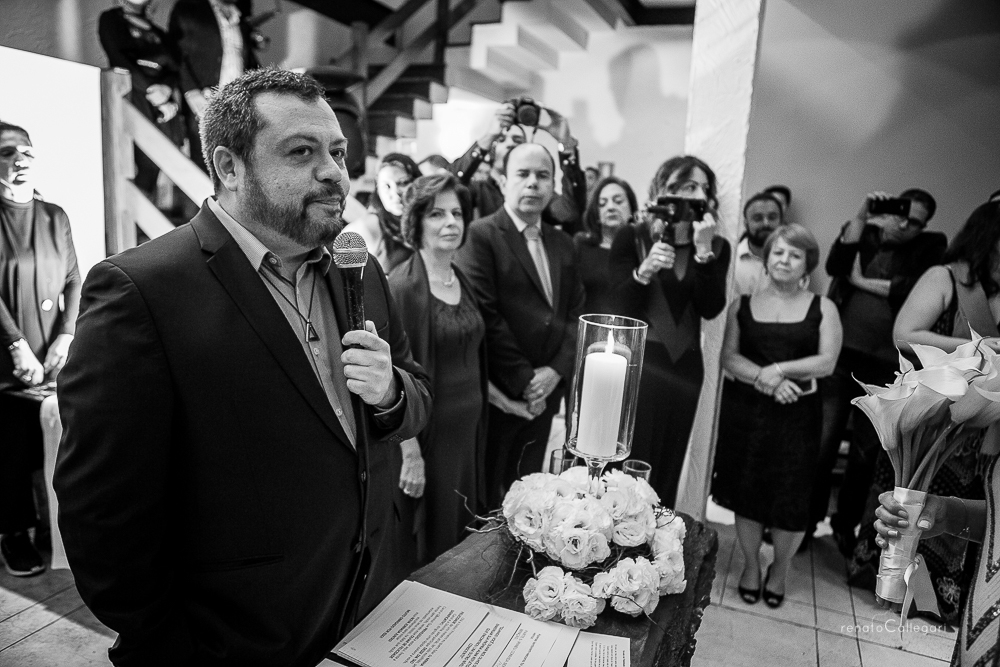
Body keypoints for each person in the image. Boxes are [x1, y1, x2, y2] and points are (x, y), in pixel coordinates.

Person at [53, 68, 432, 666]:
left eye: (337, 152)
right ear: (230, 167)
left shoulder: (357, 268)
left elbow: (417, 396)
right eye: (302, 152)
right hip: (232, 643)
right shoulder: (141, 291)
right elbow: (102, 515)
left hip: (362, 614)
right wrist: (172, 645)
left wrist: (390, 394)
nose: (334, 172)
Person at [849, 201, 1000, 624]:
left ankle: (936, 596)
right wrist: (977, 349)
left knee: (954, 509)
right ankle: (889, 580)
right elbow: (905, 334)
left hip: (976, 429)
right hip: (927, 416)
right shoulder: (945, 278)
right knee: (909, 497)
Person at [712, 225, 842, 608]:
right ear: (766, 258)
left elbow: (827, 361)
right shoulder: (741, 305)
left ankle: (780, 569)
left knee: (791, 498)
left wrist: (780, 370)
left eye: (795, 254)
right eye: (779, 252)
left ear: (807, 264)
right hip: (747, 414)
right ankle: (752, 566)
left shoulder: (824, 307)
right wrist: (769, 382)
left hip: (799, 417)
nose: (785, 260)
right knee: (747, 492)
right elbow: (729, 357)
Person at [816, 189, 946, 554]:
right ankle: (804, 523)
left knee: (865, 452)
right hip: (841, 355)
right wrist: (862, 215)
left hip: (887, 364)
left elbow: (907, 290)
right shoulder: (864, 232)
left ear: (924, 226)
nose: (904, 225)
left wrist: (860, 282)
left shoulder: (929, 248)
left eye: (914, 222)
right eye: (900, 214)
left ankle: (844, 527)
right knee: (822, 443)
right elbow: (836, 265)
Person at [456, 142, 586, 508]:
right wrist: (526, 380)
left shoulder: (563, 243)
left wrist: (555, 372)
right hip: (499, 394)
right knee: (488, 502)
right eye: (522, 174)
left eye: (543, 175)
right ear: (502, 181)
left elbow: (575, 313)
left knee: (529, 496)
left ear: (554, 185)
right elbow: (485, 315)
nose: (533, 183)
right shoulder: (479, 235)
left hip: (546, 391)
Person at [608, 155, 731, 508]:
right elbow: (618, 306)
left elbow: (711, 308)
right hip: (638, 365)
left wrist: (703, 251)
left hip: (685, 367)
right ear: (666, 190)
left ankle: (654, 536)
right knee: (627, 460)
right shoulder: (632, 237)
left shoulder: (716, 246)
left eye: (704, 189)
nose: (699, 195)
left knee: (669, 461)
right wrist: (644, 271)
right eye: (689, 186)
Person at [388, 173, 488, 561]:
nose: (451, 222)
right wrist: (411, 454)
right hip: (431, 440)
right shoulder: (402, 287)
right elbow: (391, 378)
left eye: (457, 213)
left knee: (463, 536)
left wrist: (509, 402)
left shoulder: (461, 277)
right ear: (416, 221)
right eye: (437, 214)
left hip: (468, 434)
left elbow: (471, 353)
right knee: (433, 546)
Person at [0, 122, 81, 578]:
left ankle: (61, 528)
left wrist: (66, 336)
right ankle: (15, 533)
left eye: (26, 151)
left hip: (52, 351)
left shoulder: (55, 215)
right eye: (6, 152)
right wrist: (16, 346)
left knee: (60, 439)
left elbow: (74, 278)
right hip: (6, 355)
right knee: (11, 446)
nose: (19, 159)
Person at [451, 99, 587, 234]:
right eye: (501, 139)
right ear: (492, 150)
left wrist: (566, 144)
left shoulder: (535, 191)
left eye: (517, 140)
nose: (510, 144)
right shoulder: (477, 190)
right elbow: (451, 183)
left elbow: (568, 211)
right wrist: (490, 135)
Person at [99, 0, 184, 197]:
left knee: (157, 161)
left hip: (162, 99)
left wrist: (166, 89)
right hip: (134, 94)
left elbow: (175, 68)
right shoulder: (111, 19)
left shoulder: (158, 32)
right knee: (139, 160)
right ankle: (133, 214)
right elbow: (119, 59)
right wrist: (153, 92)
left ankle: (147, 212)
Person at [169, 0, 260, 172]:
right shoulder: (188, 7)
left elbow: (244, 57)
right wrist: (191, 91)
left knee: (236, 163)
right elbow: (176, 53)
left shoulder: (238, 15)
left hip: (236, 102)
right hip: (204, 99)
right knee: (205, 164)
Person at [344, 153, 421, 273]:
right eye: (386, 186)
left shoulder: (426, 221)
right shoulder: (368, 227)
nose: (395, 193)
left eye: (403, 182)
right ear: (378, 191)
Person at [574, 176, 638, 316]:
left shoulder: (641, 249)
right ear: (596, 214)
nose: (610, 207)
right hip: (588, 326)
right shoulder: (581, 246)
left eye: (618, 201)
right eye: (602, 204)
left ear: (632, 209)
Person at [734, 191, 786, 296]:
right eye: (758, 218)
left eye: (772, 217)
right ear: (746, 224)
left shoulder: (795, 259)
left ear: (781, 221)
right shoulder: (732, 261)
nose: (766, 223)